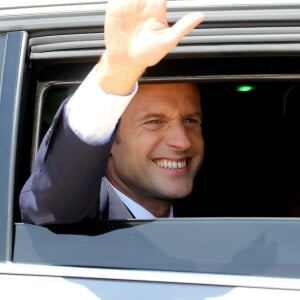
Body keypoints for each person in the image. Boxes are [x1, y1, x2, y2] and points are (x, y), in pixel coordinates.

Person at [19, 0, 205, 224]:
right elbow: (52, 207)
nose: (183, 142)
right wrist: (118, 72)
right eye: (154, 121)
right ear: (108, 141)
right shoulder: (80, 216)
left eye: (190, 120)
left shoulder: (213, 222)